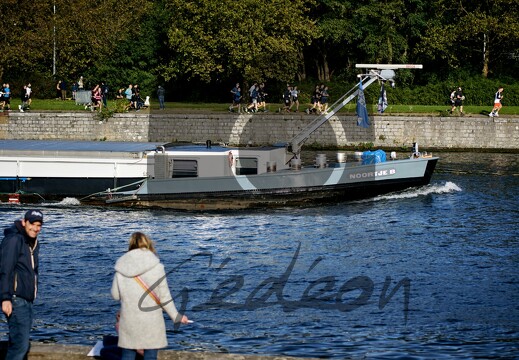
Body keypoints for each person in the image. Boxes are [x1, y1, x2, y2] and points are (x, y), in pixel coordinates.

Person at [111, 232, 189, 360]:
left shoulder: (121, 269)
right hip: (152, 321)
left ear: (130, 246)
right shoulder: (157, 268)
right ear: (148, 244)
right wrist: (177, 316)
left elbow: (115, 295)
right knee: (150, 356)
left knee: (127, 356)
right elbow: (164, 298)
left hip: (130, 320)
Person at [1, 209, 43, 360]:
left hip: (26, 300)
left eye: (39, 225)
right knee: (20, 346)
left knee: (17, 342)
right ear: (24, 222)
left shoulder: (31, 241)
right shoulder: (14, 240)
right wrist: (6, 298)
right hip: (16, 299)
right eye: (32, 224)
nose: (35, 228)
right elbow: (5, 269)